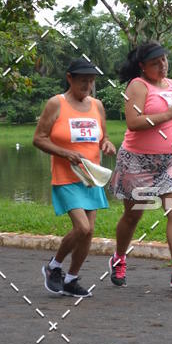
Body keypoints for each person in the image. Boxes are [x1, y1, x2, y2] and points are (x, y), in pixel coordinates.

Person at [108, 41, 172, 289]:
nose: (162, 66)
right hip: (138, 160)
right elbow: (133, 122)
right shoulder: (137, 86)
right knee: (133, 215)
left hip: (170, 159)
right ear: (142, 67)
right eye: (155, 63)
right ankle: (119, 258)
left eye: (164, 60)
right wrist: (167, 115)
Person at [33, 59, 116, 297]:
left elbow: (103, 137)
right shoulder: (55, 104)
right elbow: (39, 138)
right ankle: (53, 266)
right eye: (83, 81)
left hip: (91, 177)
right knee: (81, 227)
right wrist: (65, 153)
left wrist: (107, 144)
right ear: (70, 78)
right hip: (66, 176)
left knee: (89, 232)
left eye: (91, 81)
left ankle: (70, 279)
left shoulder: (97, 106)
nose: (88, 85)